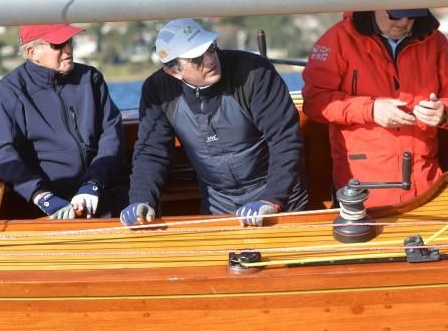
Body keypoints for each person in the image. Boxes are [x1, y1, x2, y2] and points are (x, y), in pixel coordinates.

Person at [121, 19, 309, 227]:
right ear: (173, 71)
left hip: (279, 195)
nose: (210, 60)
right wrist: (141, 199)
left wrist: (272, 199)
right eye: (197, 59)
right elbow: (151, 151)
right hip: (218, 204)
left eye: (211, 49)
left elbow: (285, 139)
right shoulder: (158, 90)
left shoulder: (254, 72)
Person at [302, 9, 448, 208]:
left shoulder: (435, 40)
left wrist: (445, 112)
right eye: (395, 15)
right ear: (375, 6)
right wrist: (370, 110)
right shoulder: (338, 38)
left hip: (426, 182)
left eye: (413, 16)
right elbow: (315, 101)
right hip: (363, 187)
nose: (404, 23)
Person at [0, 24, 126, 219]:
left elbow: (111, 132)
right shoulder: (9, 91)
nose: (67, 50)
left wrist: (93, 182)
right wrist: (40, 196)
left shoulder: (90, 79)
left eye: (69, 42)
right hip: (46, 203)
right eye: (58, 45)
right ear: (33, 53)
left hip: (102, 190)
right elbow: (0, 152)